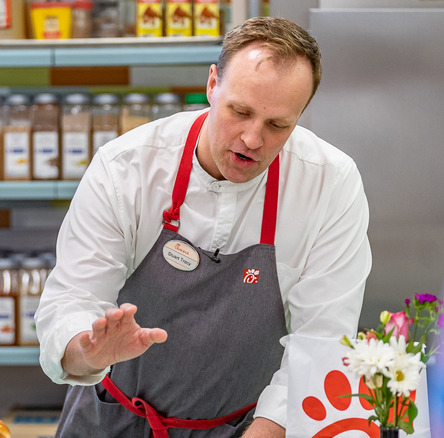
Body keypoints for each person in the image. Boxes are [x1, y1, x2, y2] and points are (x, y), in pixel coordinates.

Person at [35, 16, 372, 437]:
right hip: (113, 421)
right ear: (213, 84)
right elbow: (71, 299)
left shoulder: (329, 184)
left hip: (248, 428)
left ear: (301, 116)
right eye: (240, 111)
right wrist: (87, 350)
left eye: (277, 125)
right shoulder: (127, 167)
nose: (252, 138)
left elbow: (320, 341)